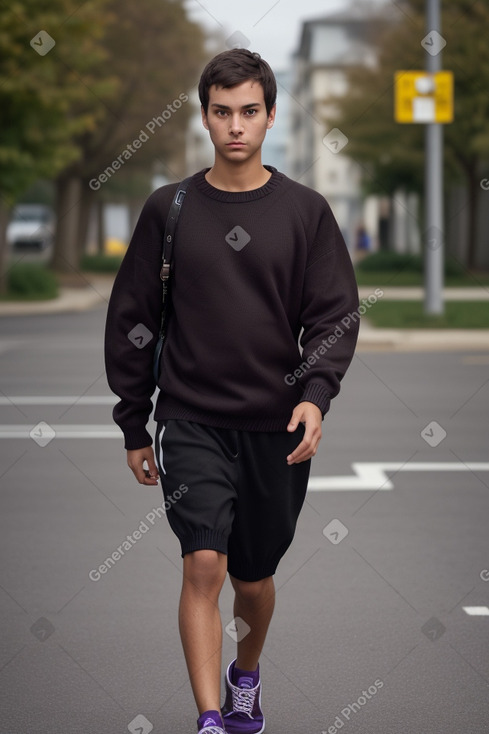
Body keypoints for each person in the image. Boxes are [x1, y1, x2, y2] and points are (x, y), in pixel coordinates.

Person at [105, 48, 359, 734]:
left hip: (272, 428)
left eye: (249, 111)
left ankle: (244, 675)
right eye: (222, 112)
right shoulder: (170, 209)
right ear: (206, 115)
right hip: (190, 420)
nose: (235, 126)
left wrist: (314, 394)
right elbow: (133, 321)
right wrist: (134, 422)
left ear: (270, 115)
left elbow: (333, 316)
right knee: (203, 564)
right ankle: (211, 719)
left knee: (251, 578)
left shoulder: (305, 212)